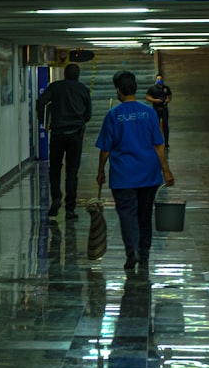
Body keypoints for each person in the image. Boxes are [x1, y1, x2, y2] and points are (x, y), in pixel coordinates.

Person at [95, 71, 175, 270]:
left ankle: (132, 251)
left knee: (127, 214)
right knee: (145, 214)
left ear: (118, 90)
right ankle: (145, 253)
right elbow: (158, 145)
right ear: (136, 89)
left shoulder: (113, 115)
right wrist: (166, 171)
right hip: (149, 174)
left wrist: (101, 171)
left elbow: (105, 148)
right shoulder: (148, 113)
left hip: (123, 176)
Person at [36, 63, 92, 219]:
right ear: (78, 75)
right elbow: (88, 115)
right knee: (72, 172)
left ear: (65, 74)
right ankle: (70, 208)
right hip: (75, 134)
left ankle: (56, 198)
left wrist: (44, 121)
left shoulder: (55, 87)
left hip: (57, 133)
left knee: (54, 168)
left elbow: (40, 102)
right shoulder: (83, 90)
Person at [145, 74, 173, 147]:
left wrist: (168, 100)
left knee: (165, 125)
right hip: (156, 109)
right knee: (155, 125)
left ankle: (166, 142)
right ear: (155, 80)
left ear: (162, 80)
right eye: (157, 79)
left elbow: (170, 96)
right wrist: (155, 100)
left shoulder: (166, 88)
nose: (159, 80)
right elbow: (147, 97)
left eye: (160, 79)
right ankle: (156, 141)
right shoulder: (152, 88)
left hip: (164, 109)